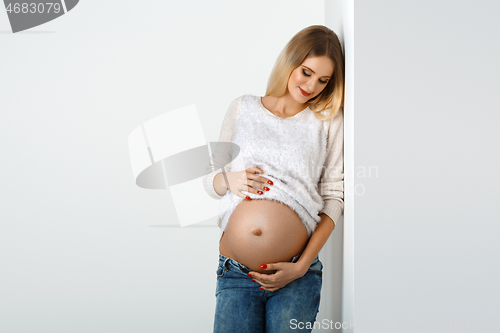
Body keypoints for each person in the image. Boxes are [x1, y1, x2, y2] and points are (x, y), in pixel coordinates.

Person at [203, 24, 344, 333]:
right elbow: (210, 181)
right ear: (290, 61)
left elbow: (334, 198)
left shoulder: (327, 122)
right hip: (236, 274)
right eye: (306, 72)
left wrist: (301, 266)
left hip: (295, 277)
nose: (311, 86)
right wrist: (230, 179)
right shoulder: (243, 108)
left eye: (323, 80)